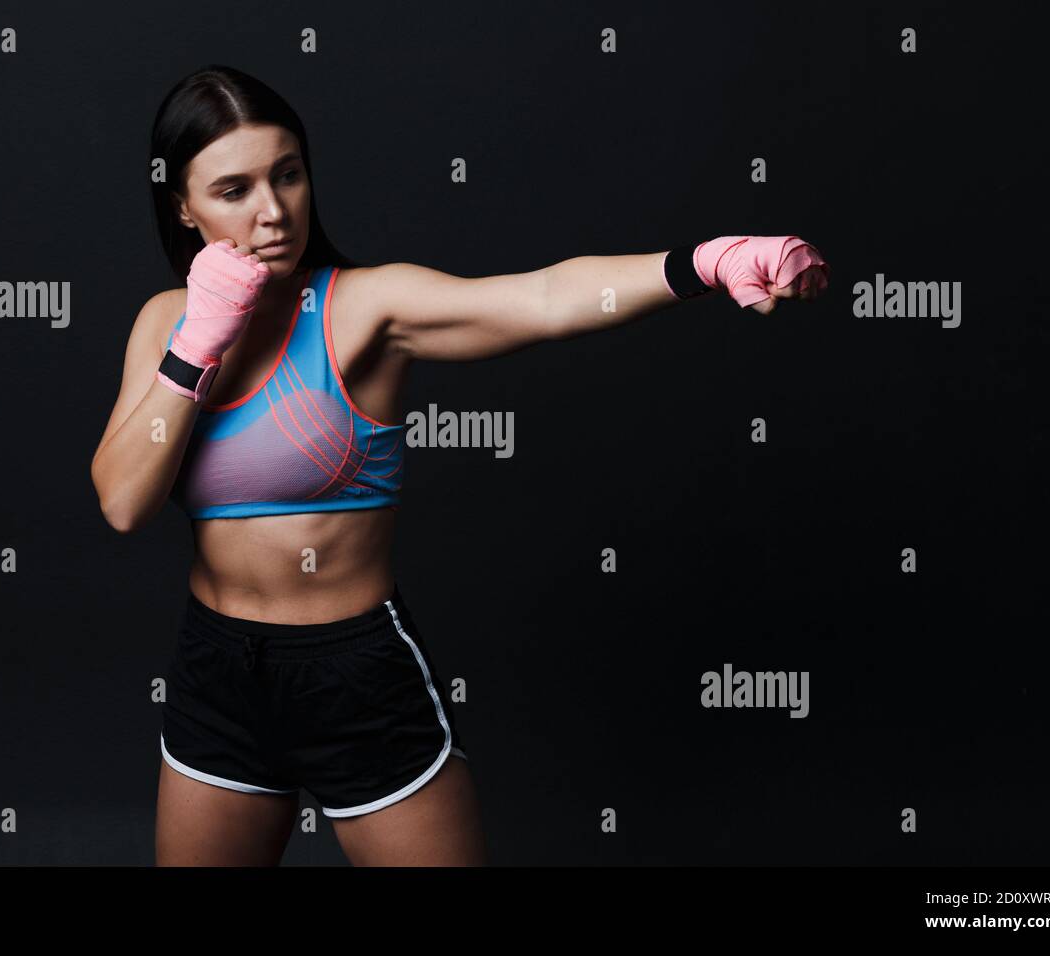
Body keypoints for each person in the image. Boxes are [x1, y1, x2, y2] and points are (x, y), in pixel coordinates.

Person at [89, 65, 829, 867]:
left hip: (356, 675)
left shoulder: (366, 307)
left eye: (289, 175)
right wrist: (199, 341)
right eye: (234, 190)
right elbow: (124, 502)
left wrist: (706, 262)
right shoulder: (165, 323)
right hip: (218, 676)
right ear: (182, 206)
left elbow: (542, 300)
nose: (273, 211)